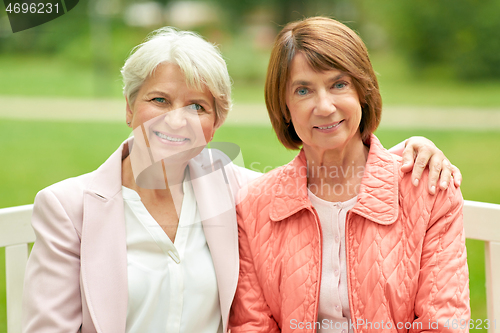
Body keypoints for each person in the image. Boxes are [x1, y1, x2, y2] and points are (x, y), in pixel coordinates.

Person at [22, 26, 461, 333]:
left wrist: (412, 149)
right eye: (159, 99)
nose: (178, 119)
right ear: (128, 107)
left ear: (215, 124)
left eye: (198, 106)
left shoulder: (237, 190)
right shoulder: (70, 206)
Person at [230, 17, 469, 333]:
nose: (325, 106)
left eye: (338, 84)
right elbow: (252, 325)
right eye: (303, 90)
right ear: (284, 107)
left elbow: (443, 324)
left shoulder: (429, 189)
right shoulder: (253, 205)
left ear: (363, 90)